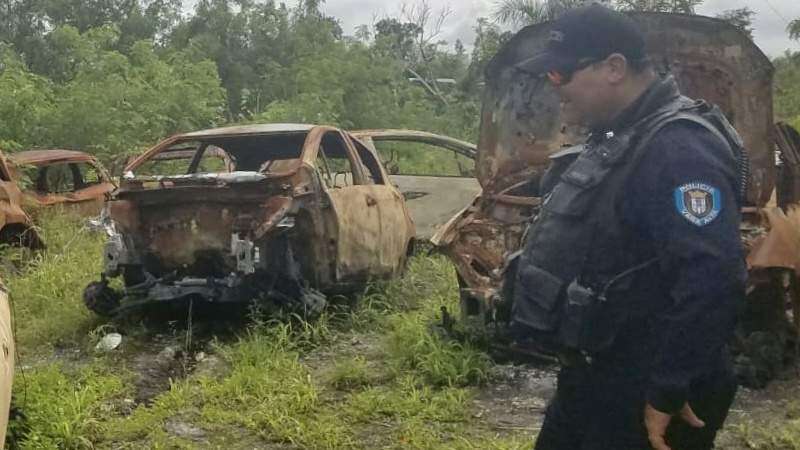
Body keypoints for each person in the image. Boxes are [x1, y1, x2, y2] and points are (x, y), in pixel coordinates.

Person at [509, 4, 747, 450]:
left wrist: (668, 388)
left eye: (561, 74)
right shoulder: (622, 134)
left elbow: (713, 276)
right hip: (598, 374)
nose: (554, 88)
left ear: (614, 67)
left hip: (648, 387)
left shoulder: (680, 147)